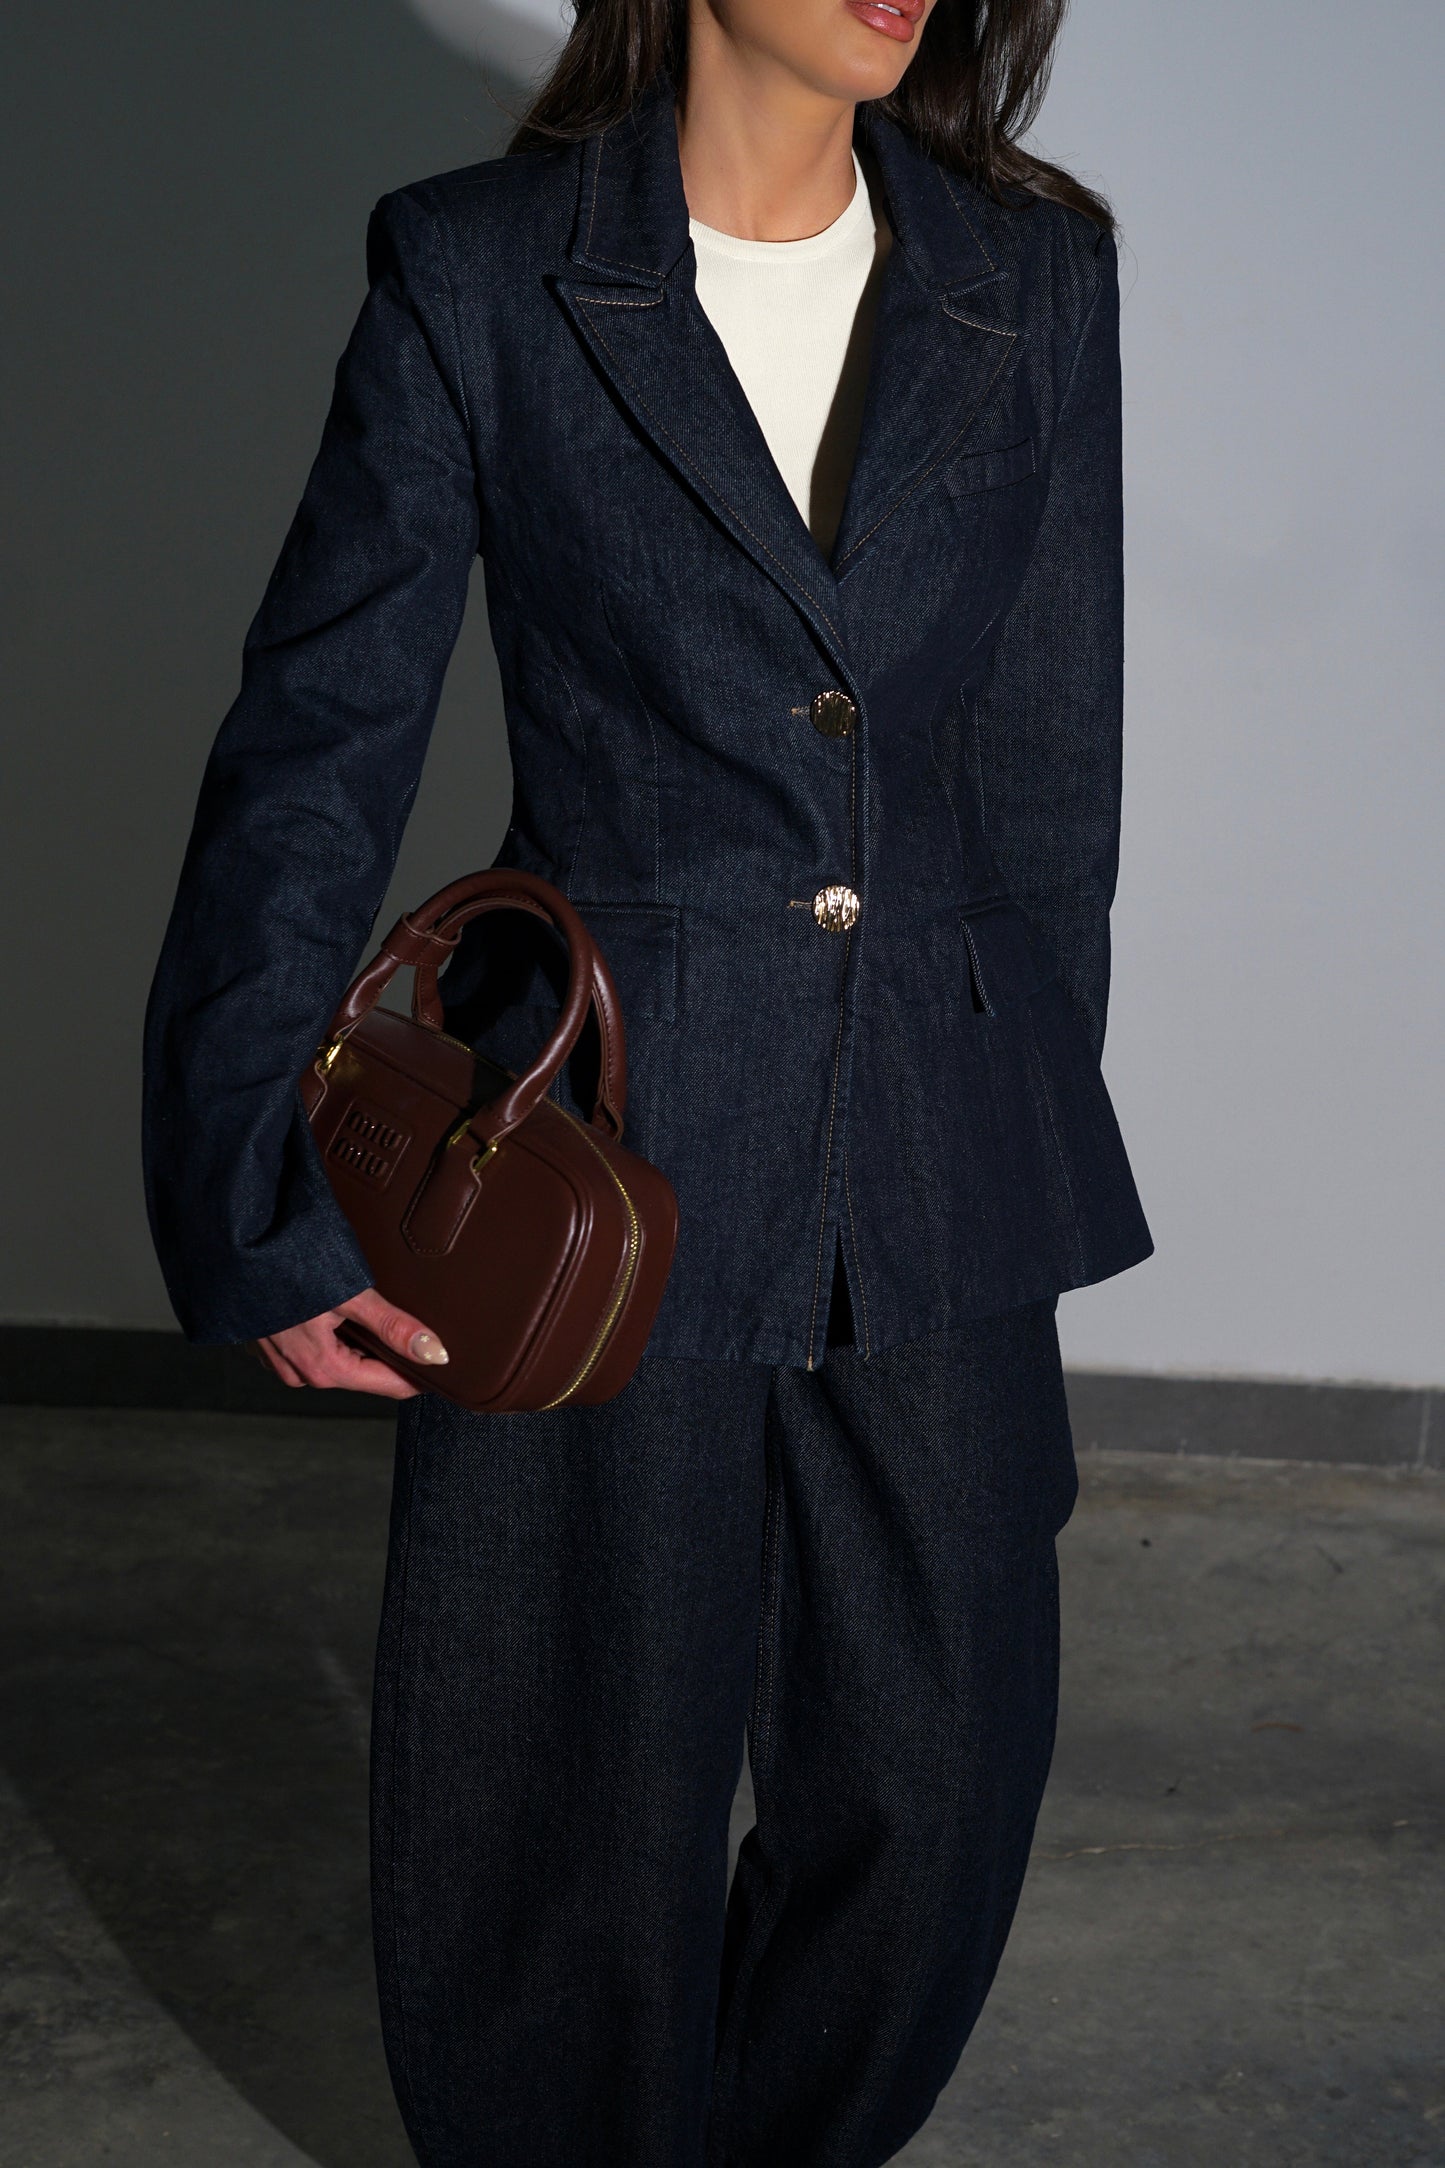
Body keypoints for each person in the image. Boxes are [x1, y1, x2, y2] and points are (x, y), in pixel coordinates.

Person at [142, 0, 1155, 2160]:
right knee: (559, 1804)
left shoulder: (1033, 275)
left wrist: (1015, 1129)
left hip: (937, 1141)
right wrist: (252, 1190)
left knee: (937, 1778)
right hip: (598, 1144)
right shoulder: (482, 270)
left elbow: (1050, 778)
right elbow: (318, 746)